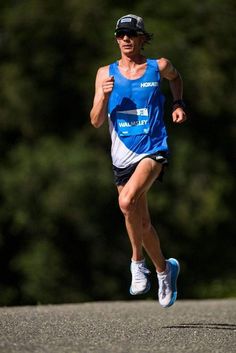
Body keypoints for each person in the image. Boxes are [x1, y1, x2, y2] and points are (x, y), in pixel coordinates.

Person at [90, 14, 187, 308]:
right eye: (121, 34)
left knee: (125, 202)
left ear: (143, 38)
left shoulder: (158, 67)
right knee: (142, 224)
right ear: (116, 39)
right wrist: (102, 98)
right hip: (122, 157)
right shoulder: (105, 73)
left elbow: (176, 78)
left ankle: (136, 262)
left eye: (132, 33)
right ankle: (164, 270)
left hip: (153, 149)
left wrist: (178, 103)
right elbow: (95, 121)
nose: (126, 39)